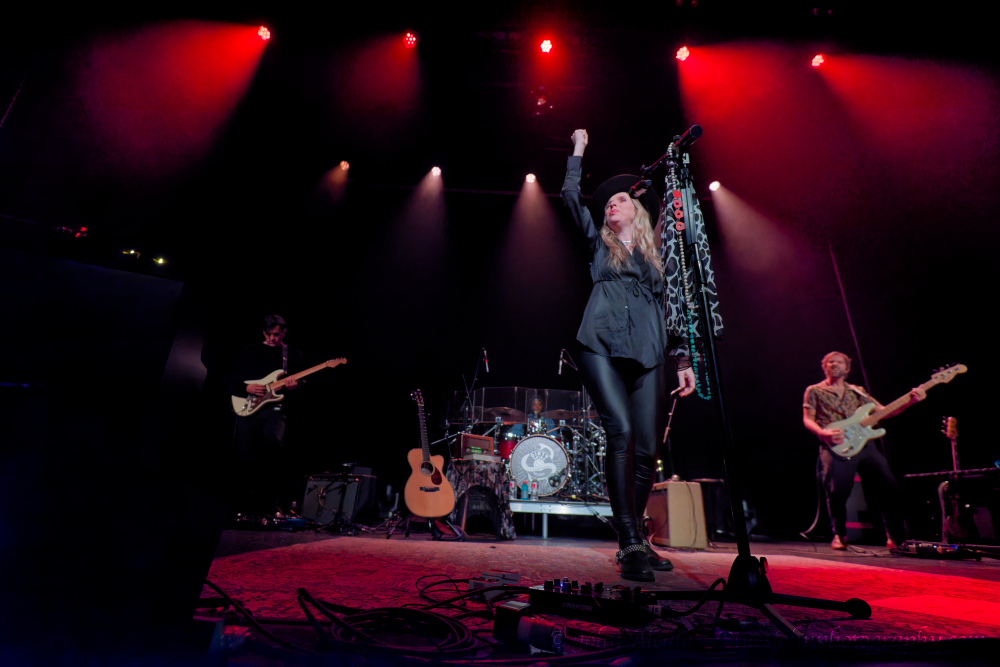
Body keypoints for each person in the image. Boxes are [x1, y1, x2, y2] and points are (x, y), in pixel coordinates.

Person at [561, 129, 696, 581]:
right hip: (598, 341)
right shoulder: (600, 243)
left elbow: (673, 306)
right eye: (607, 204)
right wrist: (579, 149)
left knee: (646, 450)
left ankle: (635, 539)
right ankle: (629, 545)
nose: (610, 206)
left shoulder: (658, 255)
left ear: (635, 210)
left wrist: (682, 361)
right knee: (619, 432)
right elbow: (568, 194)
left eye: (619, 200)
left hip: (649, 348)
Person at [802, 351, 926, 550]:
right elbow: (808, 418)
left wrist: (910, 401)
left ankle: (895, 538)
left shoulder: (857, 391)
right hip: (835, 443)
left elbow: (884, 411)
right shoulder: (814, 390)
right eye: (830, 361)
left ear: (847, 368)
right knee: (837, 491)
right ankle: (839, 535)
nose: (834, 364)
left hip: (865, 445)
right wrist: (822, 433)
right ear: (824, 367)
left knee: (890, 487)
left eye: (839, 361)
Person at [225, 314, 303, 519]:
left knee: (272, 446)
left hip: (276, 409)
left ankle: (270, 504)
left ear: (284, 333)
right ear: (263, 332)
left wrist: (294, 387)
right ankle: (241, 506)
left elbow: (300, 385)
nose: (271, 339)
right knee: (245, 456)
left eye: (276, 335)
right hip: (248, 407)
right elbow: (229, 379)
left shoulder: (292, 354)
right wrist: (245, 387)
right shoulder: (250, 351)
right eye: (268, 334)